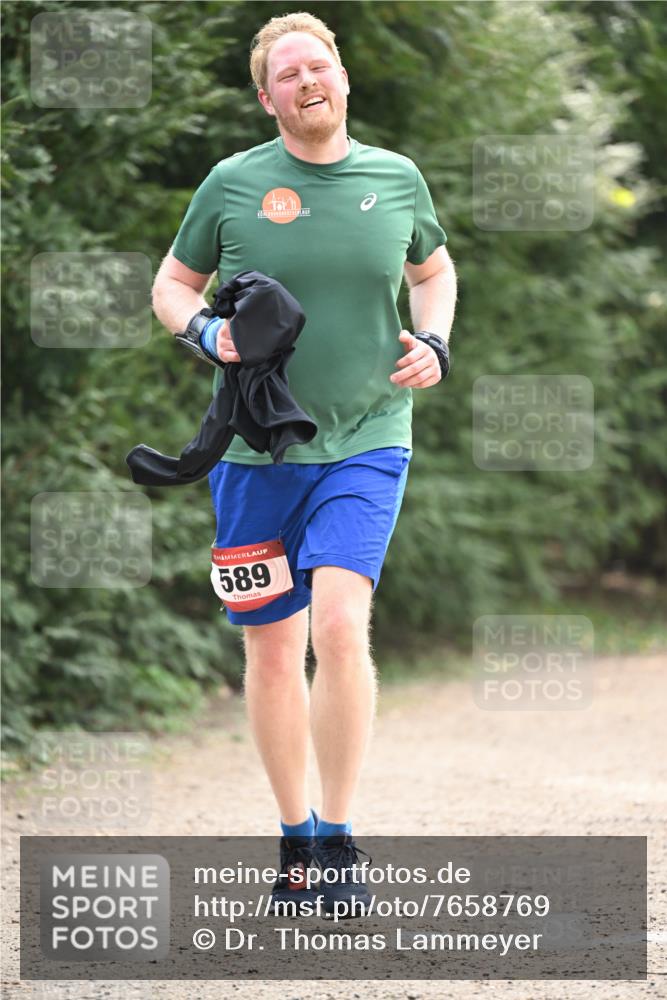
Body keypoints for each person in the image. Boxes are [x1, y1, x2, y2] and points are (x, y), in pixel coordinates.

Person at [151, 11, 457, 916]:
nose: (306, 82)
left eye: (317, 67)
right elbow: (172, 286)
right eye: (287, 75)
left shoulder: (396, 179)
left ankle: (338, 839)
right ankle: (294, 836)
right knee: (274, 649)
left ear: (343, 77)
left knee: (338, 622)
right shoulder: (231, 184)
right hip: (252, 454)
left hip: (368, 436)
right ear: (267, 97)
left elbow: (433, 271)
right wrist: (204, 331)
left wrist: (434, 342)